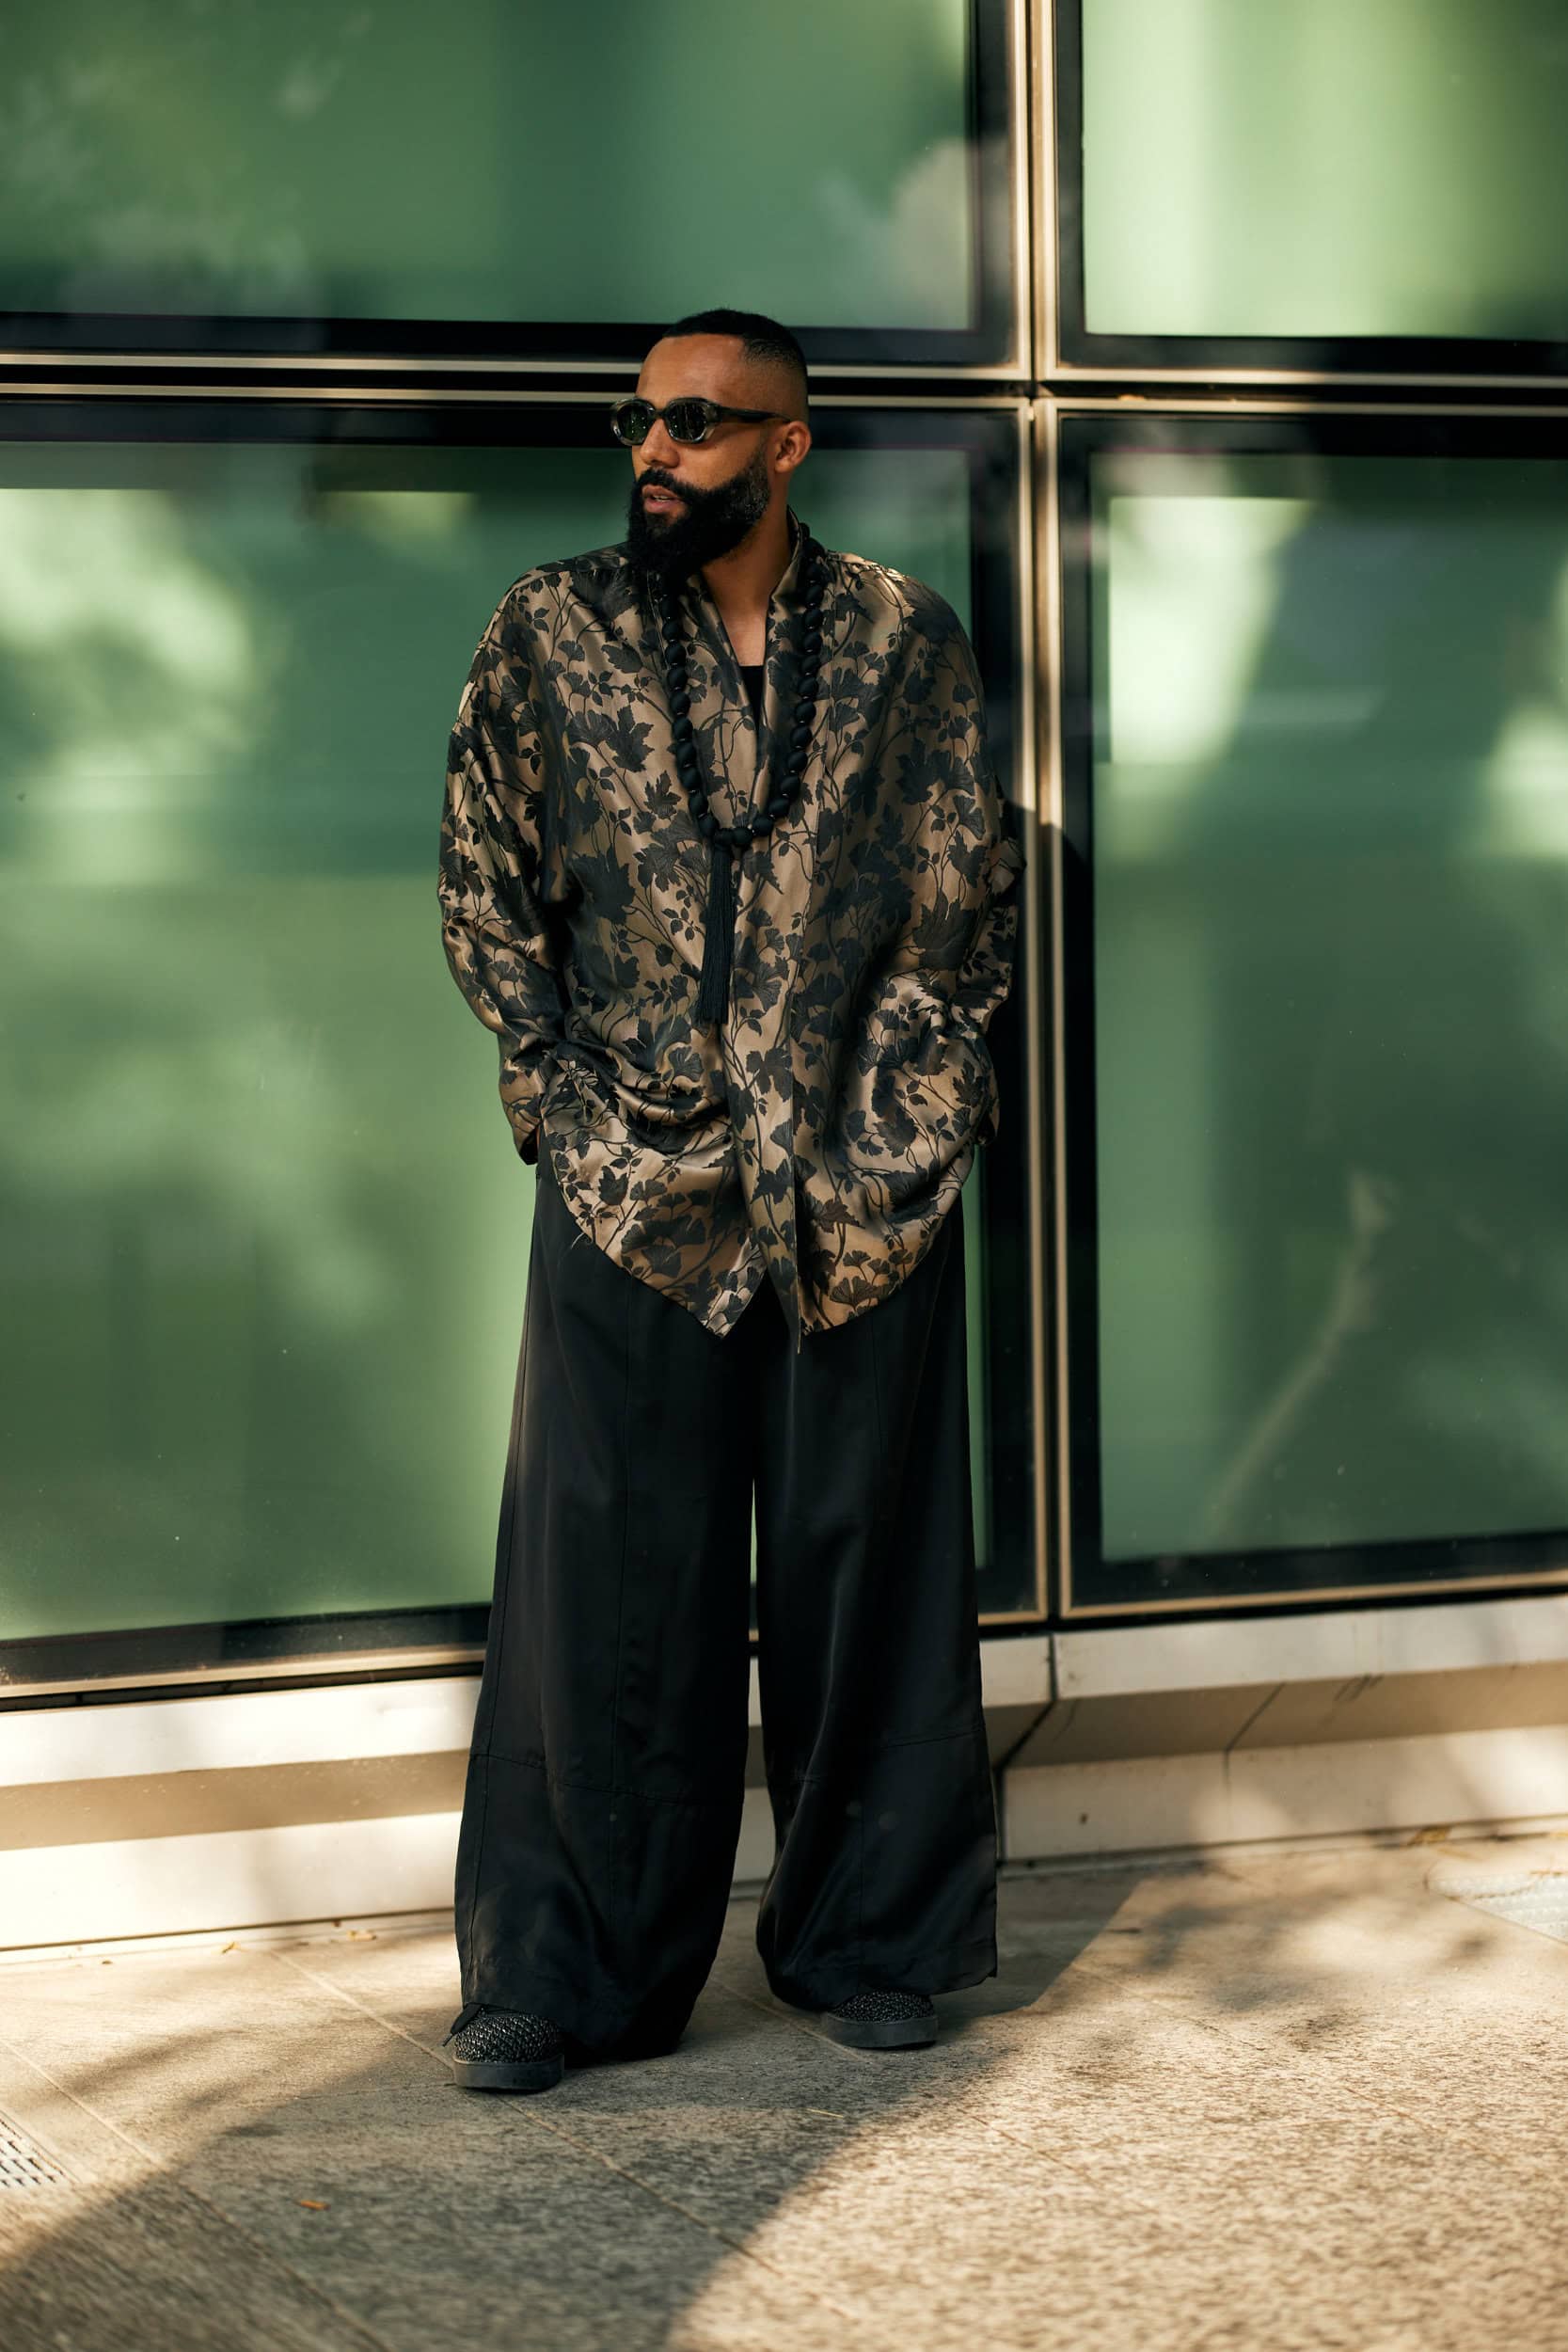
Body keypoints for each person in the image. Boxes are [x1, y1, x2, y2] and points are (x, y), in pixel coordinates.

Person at [436, 306, 1025, 2093]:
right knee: (605, 1584)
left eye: (697, 423)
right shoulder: (552, 628)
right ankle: (568, 1977)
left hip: (860, 1188)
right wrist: (556, 1094)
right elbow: (484, 872)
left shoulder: (904, 639)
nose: (656, 451)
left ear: (787, 445)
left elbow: (963, 897)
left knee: (869, 1577)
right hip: (636, 1182)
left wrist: (917, 1107)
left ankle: (871, 1941)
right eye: (640, 420)